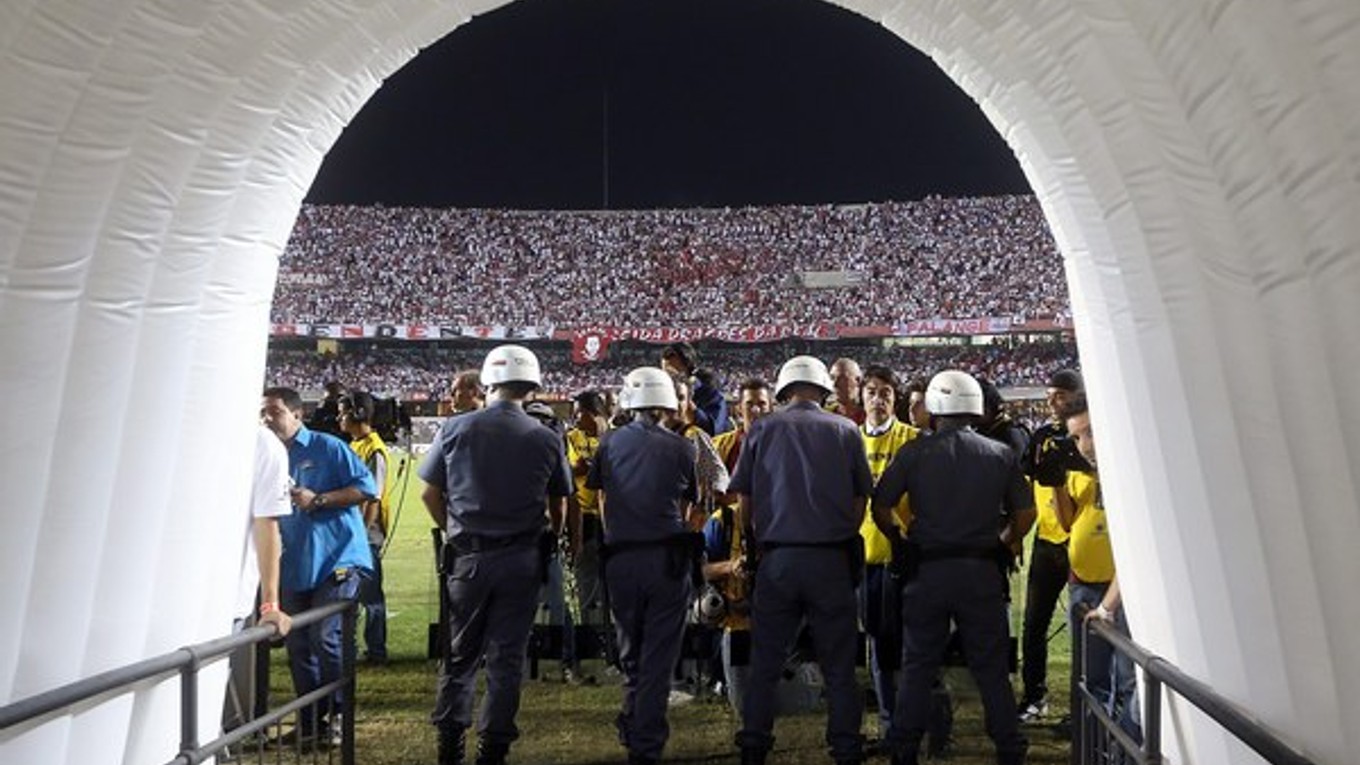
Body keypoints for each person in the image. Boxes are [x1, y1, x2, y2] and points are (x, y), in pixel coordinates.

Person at [419, 345, 573, 765]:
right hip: (521, 558)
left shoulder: (456, 428)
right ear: (531, 385)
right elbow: (559, 504)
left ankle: (450, 744)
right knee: (507, 658)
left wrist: (453, 528)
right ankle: (494, 748)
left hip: (468, 557)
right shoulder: (546, 436)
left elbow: (429, 493)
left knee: (460, 655)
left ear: (488, 382)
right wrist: (550, 538)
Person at [870, 370, 1034, 765]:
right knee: (992, 670)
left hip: (928, 573)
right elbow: (1026, 513)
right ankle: (1009, 748)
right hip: (981, 574)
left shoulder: (913, 453)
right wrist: (1002, 541)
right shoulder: (1000, 454)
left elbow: (881, 505)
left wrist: (899, 540)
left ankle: (905, 747)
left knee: (917, 666)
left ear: (935, 405)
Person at [730, 355, 873, 765]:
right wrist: (843, 532)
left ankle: (755, 742)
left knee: (767, 661)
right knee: (839, 664)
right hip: (830, 559)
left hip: (778, 559)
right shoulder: (846, 430)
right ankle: (845, 746)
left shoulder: (761, 429)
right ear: (823, 389)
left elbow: (745, 501)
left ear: (783, 389)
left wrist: (756, 545)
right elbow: (860, 497)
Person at [587, 367, 699, 765]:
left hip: (622, 557)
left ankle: (634, 719)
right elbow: (688, 506)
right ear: (667, 401)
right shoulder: (684, 448)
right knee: (658, 658)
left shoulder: (610, 443)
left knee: (632, 651)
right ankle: (645, 744)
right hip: (666, 559)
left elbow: (601, 501)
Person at [261, 386, 376, 749]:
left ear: (297, 415)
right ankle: (311, 723)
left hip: (338, 559)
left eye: (274, 412)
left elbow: (366, 488)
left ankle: (339, 718)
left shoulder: (328, 447)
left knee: (326, 638)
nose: (266, 419)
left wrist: (320, 499)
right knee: (297, 646)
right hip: (295, 565)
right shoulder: (265, 456)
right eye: (262, 412)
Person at [1048, 394, 1140, 742]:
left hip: (1120, 594)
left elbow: (1136, 549)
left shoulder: (1129, 472)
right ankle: (1097, 746)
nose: (1084, 445)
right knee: (1092, 676)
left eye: (1090, 432)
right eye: (1076, 437)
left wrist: (1109, 605)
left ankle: (1120, 748)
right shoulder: (1080, 472)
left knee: (1129, 677)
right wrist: (1054, 481)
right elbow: (1068, 522)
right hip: (1084, 583)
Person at [855, 366, 920, 750]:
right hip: (865, 558)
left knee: (911, 646)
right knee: (878, 645)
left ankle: (912, 726)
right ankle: (889, 728)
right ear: (862, 396)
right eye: (872, 391)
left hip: (906, 558)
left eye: (885, 393)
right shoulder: (849, 439)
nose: (878, 399)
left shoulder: (912, 439)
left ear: (895, 399)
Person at [1016, 368, 1084, 721]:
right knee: (1034, 624)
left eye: (1059, 396)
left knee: (1083, 633)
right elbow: (1025, 484)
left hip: (1081, 544)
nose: (1053, 403)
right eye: (1049, 396)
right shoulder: (1041, 435)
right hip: (1046, 541)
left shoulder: (1088, 434)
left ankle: (1083, 707)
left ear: (1077, 395)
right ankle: (1034, 696)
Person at [705, 378, 773, 714]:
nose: (757, 410)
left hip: (773, 530)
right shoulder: (723, 445)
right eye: (751, 404)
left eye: (762, 404)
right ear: (738, 408)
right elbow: (711, 492)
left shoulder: (781, 443)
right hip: (730, 530)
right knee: (723, 603)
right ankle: (722, 676)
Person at [222, 425, 294, 738]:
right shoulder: (263, 443)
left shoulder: (261, 443)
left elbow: (267, 524)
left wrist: (270, 603)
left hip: (225, 600)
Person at [340, 391, 392, 665]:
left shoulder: (374, 450)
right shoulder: (356, 445)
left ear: (357, 413)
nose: (339, 417)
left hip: (366, 536)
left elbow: (373, 498)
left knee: (371, 598)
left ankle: (377, 652)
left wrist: (359, 535)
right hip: (356, 533)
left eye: (342, 412)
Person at [566, 389, 612, 681]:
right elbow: (574, 468)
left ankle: (613, 648)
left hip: (615, 519)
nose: (574, 417)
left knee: (613, 588)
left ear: (591, 411)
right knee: (587, 587)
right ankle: (592, 650)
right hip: (584, 518)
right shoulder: (573, 437)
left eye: (577, 411)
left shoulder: (615, 436)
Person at [660, 341, 731, 435]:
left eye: (674, 373)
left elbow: (713, 430)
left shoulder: (713, 396)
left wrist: (686, 401)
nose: (669, 377)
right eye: (665, 372)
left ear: (691, 370)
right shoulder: (660, 396)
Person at [826, 357, 866, 425]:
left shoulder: (870, 417)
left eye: (841, 378)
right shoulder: (825, 415)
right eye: (832, 378)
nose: (835, 384)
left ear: (858, 380)